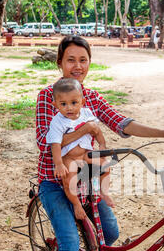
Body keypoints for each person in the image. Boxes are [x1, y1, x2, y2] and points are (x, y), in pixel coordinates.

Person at [35, 35, 164, 251]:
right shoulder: (47, 97)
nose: (77, 66)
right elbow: (43, 143)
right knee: (69, 247)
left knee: (111, 234)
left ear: (89, 63)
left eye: (83, 60)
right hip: (55, 181)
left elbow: (121, 122)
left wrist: (163, 133)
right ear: (60, 61)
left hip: (88, 179)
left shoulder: (91, 98)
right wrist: (86, 131)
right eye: (71, 59)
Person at [46, 77, 114, 221]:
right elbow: (55, 144)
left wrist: (102, 144)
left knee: (104, 164)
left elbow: (96, 131)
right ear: (55, 105)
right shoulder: (57, 122)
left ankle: (103, 191)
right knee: (68, 179)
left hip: (85, 154)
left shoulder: (86, 113)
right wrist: (58, 164)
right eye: (63, 104)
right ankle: (76, 204)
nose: (69, 108)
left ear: (82, 102)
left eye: (74, 103)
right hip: (70, 157)